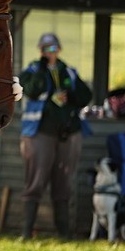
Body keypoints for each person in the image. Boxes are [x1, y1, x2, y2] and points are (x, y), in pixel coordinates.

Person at [19, 32, 92, 238]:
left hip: (68, 133)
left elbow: (86, 96)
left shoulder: (68, 71)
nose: (49, 52)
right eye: (45, 49)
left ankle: (64, 233)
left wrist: (70, 96)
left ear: (59, 49)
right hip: (40, 133)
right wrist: (43, 69)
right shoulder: (32, 70)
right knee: (35, 180)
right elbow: (32, 90)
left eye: (53, 48)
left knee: (63, 182)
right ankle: (26, 232)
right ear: (40, 51)